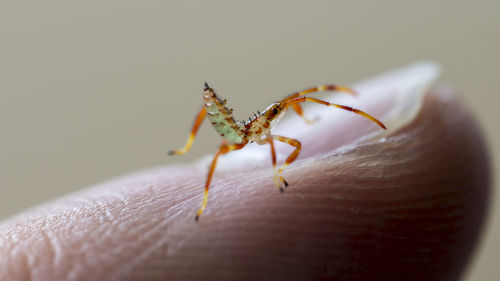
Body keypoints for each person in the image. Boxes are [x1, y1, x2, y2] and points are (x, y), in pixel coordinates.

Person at [0, 89, 490, 281]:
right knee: (227, 155)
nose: (284, 114)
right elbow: (253, 140)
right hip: (231, 136)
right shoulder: (246, 134)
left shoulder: (275, 122)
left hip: (245, 134)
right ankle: (209, 183)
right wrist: (218, 190)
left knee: (289, 126)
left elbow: (292, 113)